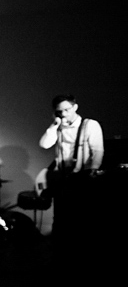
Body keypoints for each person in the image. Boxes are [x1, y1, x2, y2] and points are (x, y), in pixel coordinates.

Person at [38, 94, 104, 240]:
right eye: (59, 111)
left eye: (67, 109)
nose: (64, 114)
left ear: (75, 107)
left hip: (82, 178)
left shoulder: (89, 125)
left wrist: (92, 171)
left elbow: (98, 150)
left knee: (80, 219)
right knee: (60, 218)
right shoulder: (58, 127)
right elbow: (44, 144)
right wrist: (54, 125)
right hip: (62, 179)